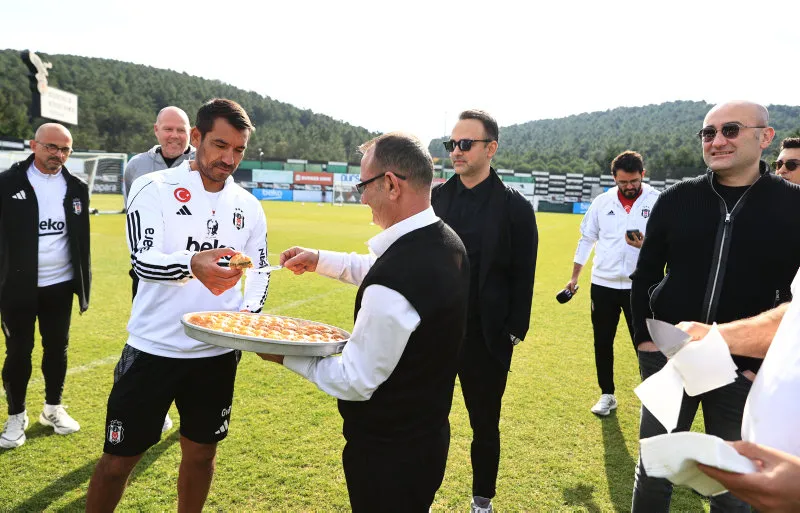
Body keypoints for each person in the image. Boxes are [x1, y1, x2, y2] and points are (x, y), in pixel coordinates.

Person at [260, 132, 470, 512]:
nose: (360, 196)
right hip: (427, 438)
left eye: (363, 184)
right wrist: (319, 258)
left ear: (390, 184)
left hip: (387, 455)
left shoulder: (396, 282)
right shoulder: (445, 242)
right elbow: (382, 270)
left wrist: (283, 353)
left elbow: (355, 380)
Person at [86, 99, 269, 512]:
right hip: (155, 348)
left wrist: (247, 319)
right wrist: (192, 264)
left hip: (217, 353)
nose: (228, 158)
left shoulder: (248, 205)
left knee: (202, 454)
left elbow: (260, 270)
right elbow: (143, 261)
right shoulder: (153, 188)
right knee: (118, 461)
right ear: (197, 138)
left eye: (238, 150)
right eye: (220, 145)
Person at [629, 100, 800, 512]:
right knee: (654, 468)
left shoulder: (794, 205)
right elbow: (645, 274)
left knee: (737, 483)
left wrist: (760, 363)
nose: (717, 140)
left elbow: (795, 301)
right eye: (709, 133)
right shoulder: (676, 199)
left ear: (765, 137)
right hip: (672, 357)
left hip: (744, 365)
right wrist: (645, 341)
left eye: (731, 130)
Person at [432, 110, 538, 513]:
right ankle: (423, 491)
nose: (455, 152)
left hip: (487, 337)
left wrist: (513, 329)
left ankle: (482, 500)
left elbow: (523, 273)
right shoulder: (437, 197)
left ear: (490, 148)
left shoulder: (514, 207)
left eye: (465, 144)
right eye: (451, 144)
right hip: (437, 333)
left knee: (484, 426)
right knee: (429, 420)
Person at [0, 123, 91, 449]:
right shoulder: (8, 182)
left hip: (60, 285)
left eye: (65, 149)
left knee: (57, 349)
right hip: (17, 287)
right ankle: (16, 415)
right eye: (52, 147)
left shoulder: (76, 186)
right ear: (33, 145)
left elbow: (81, 242)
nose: (58, 155)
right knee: (18, 353)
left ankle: (52, 408)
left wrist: (83, 285)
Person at [564, 150, 659, 416]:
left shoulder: (658, 200)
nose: (629, 187)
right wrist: (574, 278)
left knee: (645, 345)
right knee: (602, 342)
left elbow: (669, 244)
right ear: (614, 179)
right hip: (603, 285)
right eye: (622, 182)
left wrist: (646, 244)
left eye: (633, 181)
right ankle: (607, 395)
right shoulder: (602, 202)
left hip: (640, 285)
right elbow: (586, 239)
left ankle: (652, 396)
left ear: (643, 174)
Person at [124, 106, 194, 434]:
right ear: (156, 130)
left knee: (190, 336)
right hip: (148, 272)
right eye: (168, 129)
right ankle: (157, 407)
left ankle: (191, 406)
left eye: (180, 130)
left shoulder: (202, 163)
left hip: (193, 273)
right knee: (152, 339)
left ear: (191, 132)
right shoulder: (136, 167)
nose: (174, 136)